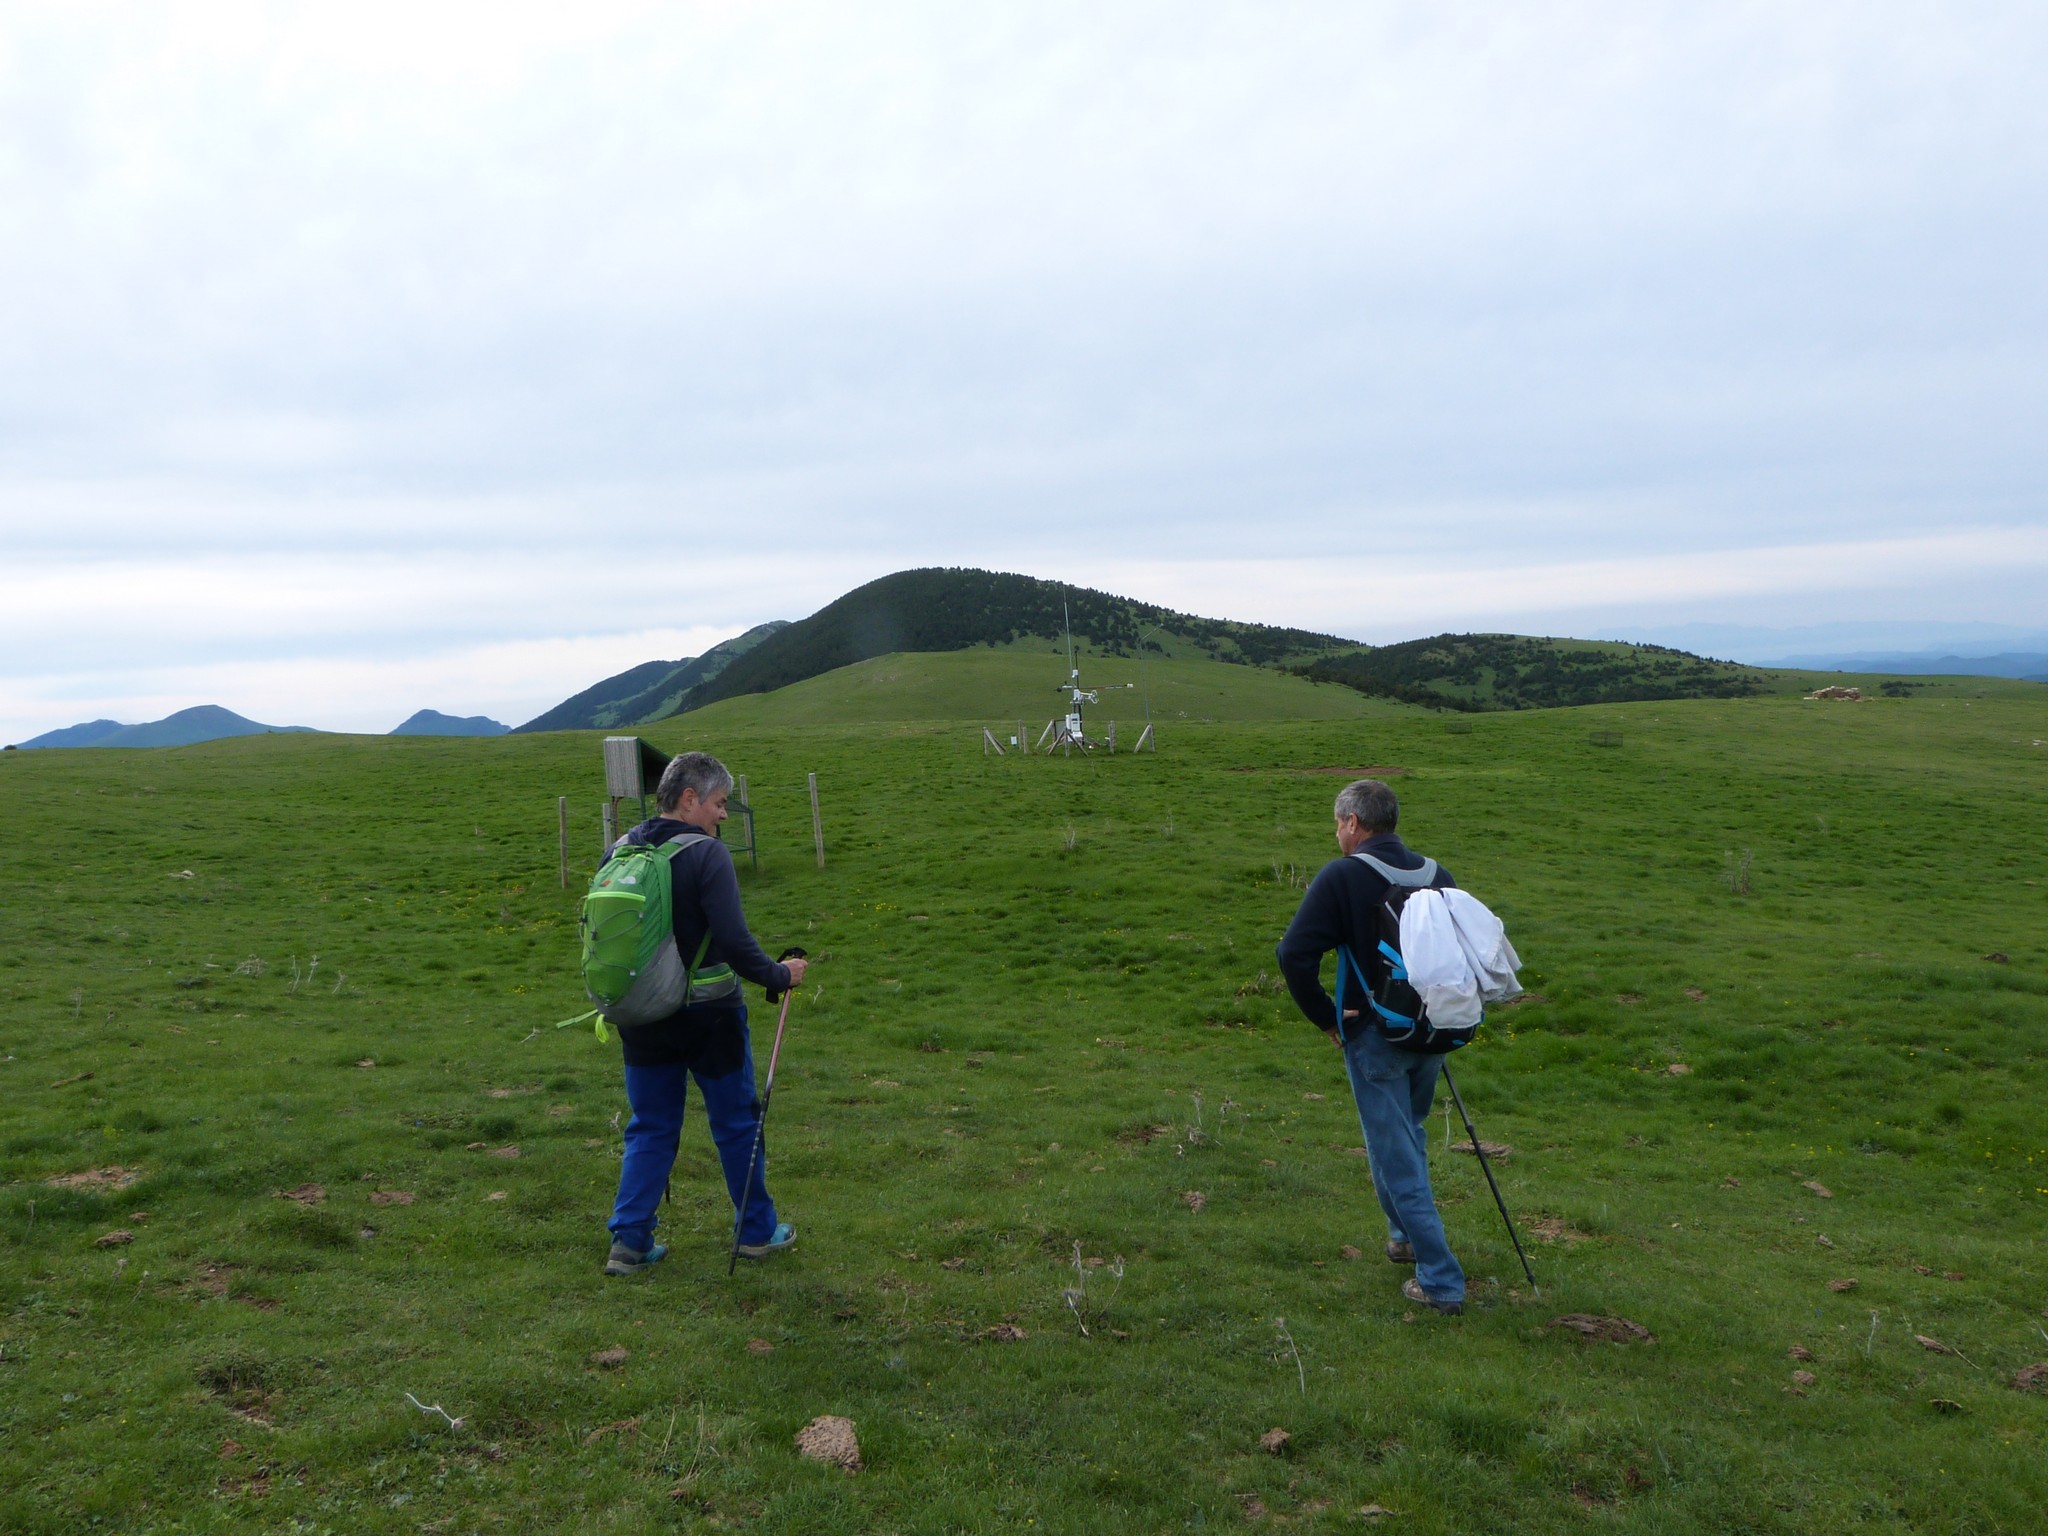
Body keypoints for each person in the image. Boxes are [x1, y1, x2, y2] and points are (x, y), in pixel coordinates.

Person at [602, 750, 808, 1276]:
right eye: (718, 803)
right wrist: (780, 975)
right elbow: (735, 943)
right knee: (737, 1123)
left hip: (641, 1013)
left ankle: (629, 1242)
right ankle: (756, 1232)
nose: (723, 815)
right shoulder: (707, 855)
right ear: (690, 798)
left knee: (650, 1125)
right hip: (710, 1017)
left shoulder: (620, 850)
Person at [1275, 778, 1465, 1315]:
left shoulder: (1342, 876)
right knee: (1407, 1134)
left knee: (1395, 1152)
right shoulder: (1436, 874)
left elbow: (1293, 954)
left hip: (1374, 1035)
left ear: (1354, 823)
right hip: (1432, 1032)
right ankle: (1403, 1238)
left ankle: (1441, 1281)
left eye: (1338, 824)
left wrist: (1326, 1017)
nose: (1337, 834)